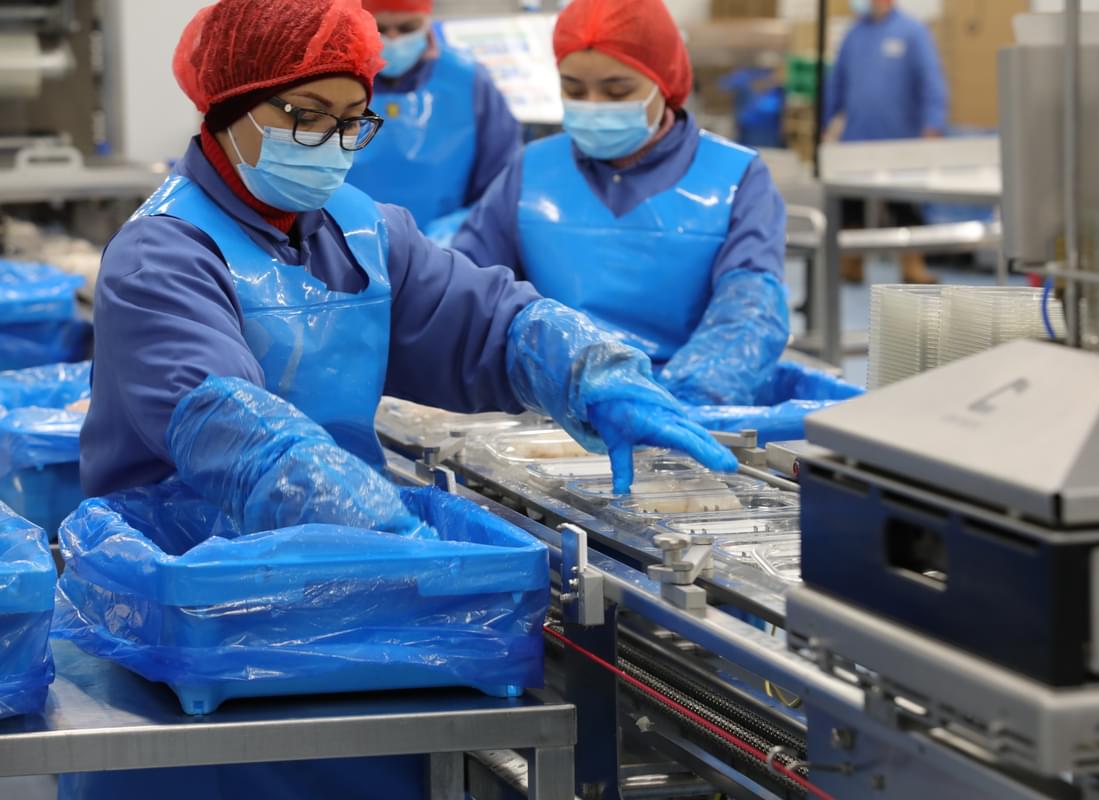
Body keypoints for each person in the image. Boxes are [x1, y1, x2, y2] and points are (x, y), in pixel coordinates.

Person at [66, 0, 735, 797]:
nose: (333, 145)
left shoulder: (358, 229)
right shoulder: (161, 255)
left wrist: (589, 372)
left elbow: (487, 319)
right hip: (194, 629)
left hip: (362, 619)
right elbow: (237, 432)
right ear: (228, 104)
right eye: (305, 116)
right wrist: (395, 531)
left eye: (353, 120)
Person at [453, 0, 791, 408]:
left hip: (683, 409)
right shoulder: (531, 170)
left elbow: (749, 315)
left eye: (617, 91)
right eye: (574, 89)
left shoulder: (737, 177)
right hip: (555, 411)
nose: (593, 104)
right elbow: (468, 291)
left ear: (662, 82)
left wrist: (672, 405)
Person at [345, 0, 522, 239]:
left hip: (446, 248)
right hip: (345, 241)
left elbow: (502, 182)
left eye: (408, 27)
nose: (394, 39)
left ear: (427, 20)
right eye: (380, 29)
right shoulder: (336, 80)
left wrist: (462, 228)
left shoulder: (469, 82)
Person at [823, 0, 946, 285]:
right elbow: (836, 82)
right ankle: (851, 262)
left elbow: (932, 82)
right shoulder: (853, 35)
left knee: (905, 205)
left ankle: (912, 264)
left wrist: (933, 125)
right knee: (851, 206)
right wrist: (826, 121)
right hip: (857, 137)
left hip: (898, 139)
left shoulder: (912, 32)